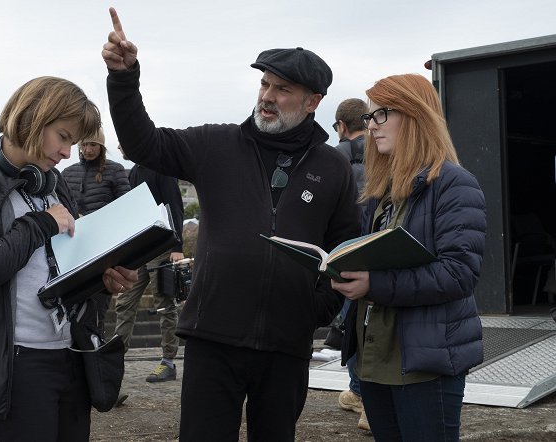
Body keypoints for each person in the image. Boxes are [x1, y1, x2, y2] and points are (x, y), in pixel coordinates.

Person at [102, 8, 361, 441]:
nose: (267, 96)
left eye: (283, 88)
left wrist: (314, 311)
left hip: (286, 346)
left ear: (314, 101)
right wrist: (125, 77)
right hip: (212, 338)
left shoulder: (332, 167)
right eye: (264, 84)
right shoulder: (216, 144)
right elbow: (141, 143)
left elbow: (345, 249)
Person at [0, 76, 137, 442]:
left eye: (73, 143)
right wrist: (40, 223)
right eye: (63, 136)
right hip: (16, 366)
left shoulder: (53, 183)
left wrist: (100, 281)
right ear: (32, 118)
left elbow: (63, 269)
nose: (66, 153)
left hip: (70, 357)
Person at [332, 73, 486, 441]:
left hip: (424, 364)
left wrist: (375, 284)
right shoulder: (380, 191)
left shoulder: (454, 184)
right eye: (369, 117)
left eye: (381, 114)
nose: (371, 127)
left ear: (414, 115)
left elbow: (459, 273)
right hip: (374, 360)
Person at [114, 143, 184, 383]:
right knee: (124, 302)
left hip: (162, 248)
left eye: (124, 144)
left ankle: (168, 361)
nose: (120, 147)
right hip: (140, 249)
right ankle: (115, 361)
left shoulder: (162, 168)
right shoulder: (135, 171)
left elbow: (175, 205)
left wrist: (177, 248)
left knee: (165, 303)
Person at [61, 128, 130, 335]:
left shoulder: (116, 170)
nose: (88, 149)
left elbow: (125, 208)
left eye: (93, 145)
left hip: (103, 248)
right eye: (84, 145)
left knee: (96, 309)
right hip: (74, 247)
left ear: (101, 147)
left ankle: (95, 353)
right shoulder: (67, 172)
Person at [332, 98, 369, 431]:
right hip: (378, 246)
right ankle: (359, 393)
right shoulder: (385, 151)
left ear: (342, 126)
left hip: (346, 251)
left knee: (352, 324)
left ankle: (361, 394)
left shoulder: (335, 157)